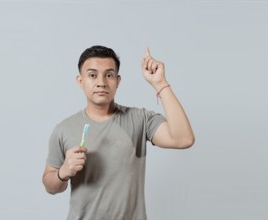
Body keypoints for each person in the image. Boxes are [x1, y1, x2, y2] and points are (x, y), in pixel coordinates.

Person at [42, 45, 195, 220]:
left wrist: (160, 83)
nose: (101, 82)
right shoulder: (64, 129)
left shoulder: (140, 119)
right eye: (92, 75)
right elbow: (50, 186)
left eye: (109, 75)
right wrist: (63, 171)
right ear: (80, 81)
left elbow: (184, 139)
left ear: (118, 81)